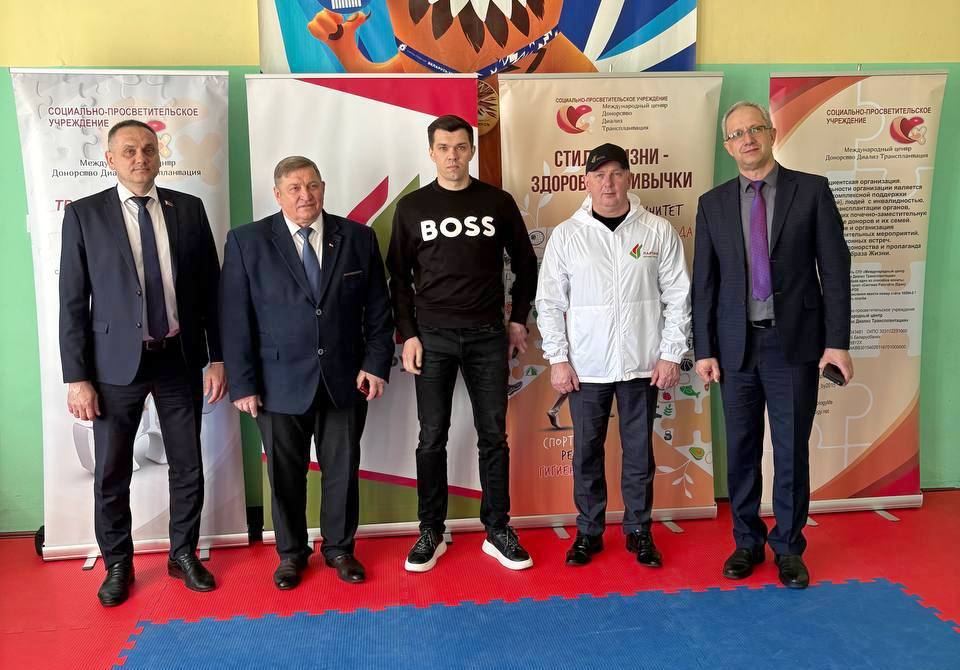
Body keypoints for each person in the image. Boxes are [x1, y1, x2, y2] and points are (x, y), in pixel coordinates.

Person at [59, 119, 224, 606]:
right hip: (113, 367)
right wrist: (77, 377)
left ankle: (183, 553)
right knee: (112, 472)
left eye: (148, 149)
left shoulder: (188, 209)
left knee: (187, 464)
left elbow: (211, 293)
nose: (140, 158)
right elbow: (72, 301)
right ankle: (118, 564)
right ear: (110, 159)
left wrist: (217, 358)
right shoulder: (85, 215)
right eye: (129, 150)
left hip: (178, 358)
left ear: (158, 155)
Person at [692, 101, 853, 589]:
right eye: (736, 134)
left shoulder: (812, 191)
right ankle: (746, 541)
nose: (747, 139)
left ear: (772, 132)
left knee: (790, 451)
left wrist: (837, 343)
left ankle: (788, 547)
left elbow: (835, 271)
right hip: (736, 349)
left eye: (755, 129)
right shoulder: (713, 204)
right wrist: (704, 349)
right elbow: (705, 284)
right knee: (741, 451)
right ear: (728, 146)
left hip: (795, 347)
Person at [220, 156, 393, 588]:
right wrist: (243, 384)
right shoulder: (247, 241)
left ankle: (340, 549)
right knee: (284, 476)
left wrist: (375, 364)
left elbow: (378, 309)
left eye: (312, 185)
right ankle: (291, 554)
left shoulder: (357, 237)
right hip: (275, 384)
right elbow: (234, 319)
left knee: (342, 471)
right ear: (277, 194)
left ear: (323, 188)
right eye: (294, 188)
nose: (305, 195)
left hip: (344, 379)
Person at [387, 114, 538, 572]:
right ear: (431, 153)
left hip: (487, 336)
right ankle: (431, 530)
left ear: (471, 150)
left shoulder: (497, 202)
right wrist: (409, 334)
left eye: (459, 147)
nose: (452, 156)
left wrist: (518, 319)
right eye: (443, 148)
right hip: (431, 337)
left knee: (493, 436)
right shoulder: (412, 207)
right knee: (432, 436)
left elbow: (526, 263)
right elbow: (398, 278)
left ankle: (497, 530)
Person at [536, 143, 691, 567]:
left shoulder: (656, 231)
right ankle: (589, 532)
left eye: (616, 173)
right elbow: (549, 303)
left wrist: (670, 354)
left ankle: (639, 531)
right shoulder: (567, 235)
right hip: (586, 370)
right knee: (587, 453)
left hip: (643, 365)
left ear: (629, 178)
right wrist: (558, 359)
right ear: (586, 182)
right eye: (599, 175)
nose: (608, 183)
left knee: (639, 455)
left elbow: (678, 296)